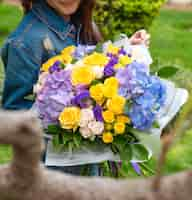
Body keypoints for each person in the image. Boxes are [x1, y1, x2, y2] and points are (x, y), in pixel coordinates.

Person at [1, 0, 150, 176]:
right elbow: (15, 117)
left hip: (90, 165)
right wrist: (69, 117)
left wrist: (124, 53)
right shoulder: (25, 42)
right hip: (52, 176)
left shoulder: (81, 22)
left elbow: (90, 67)